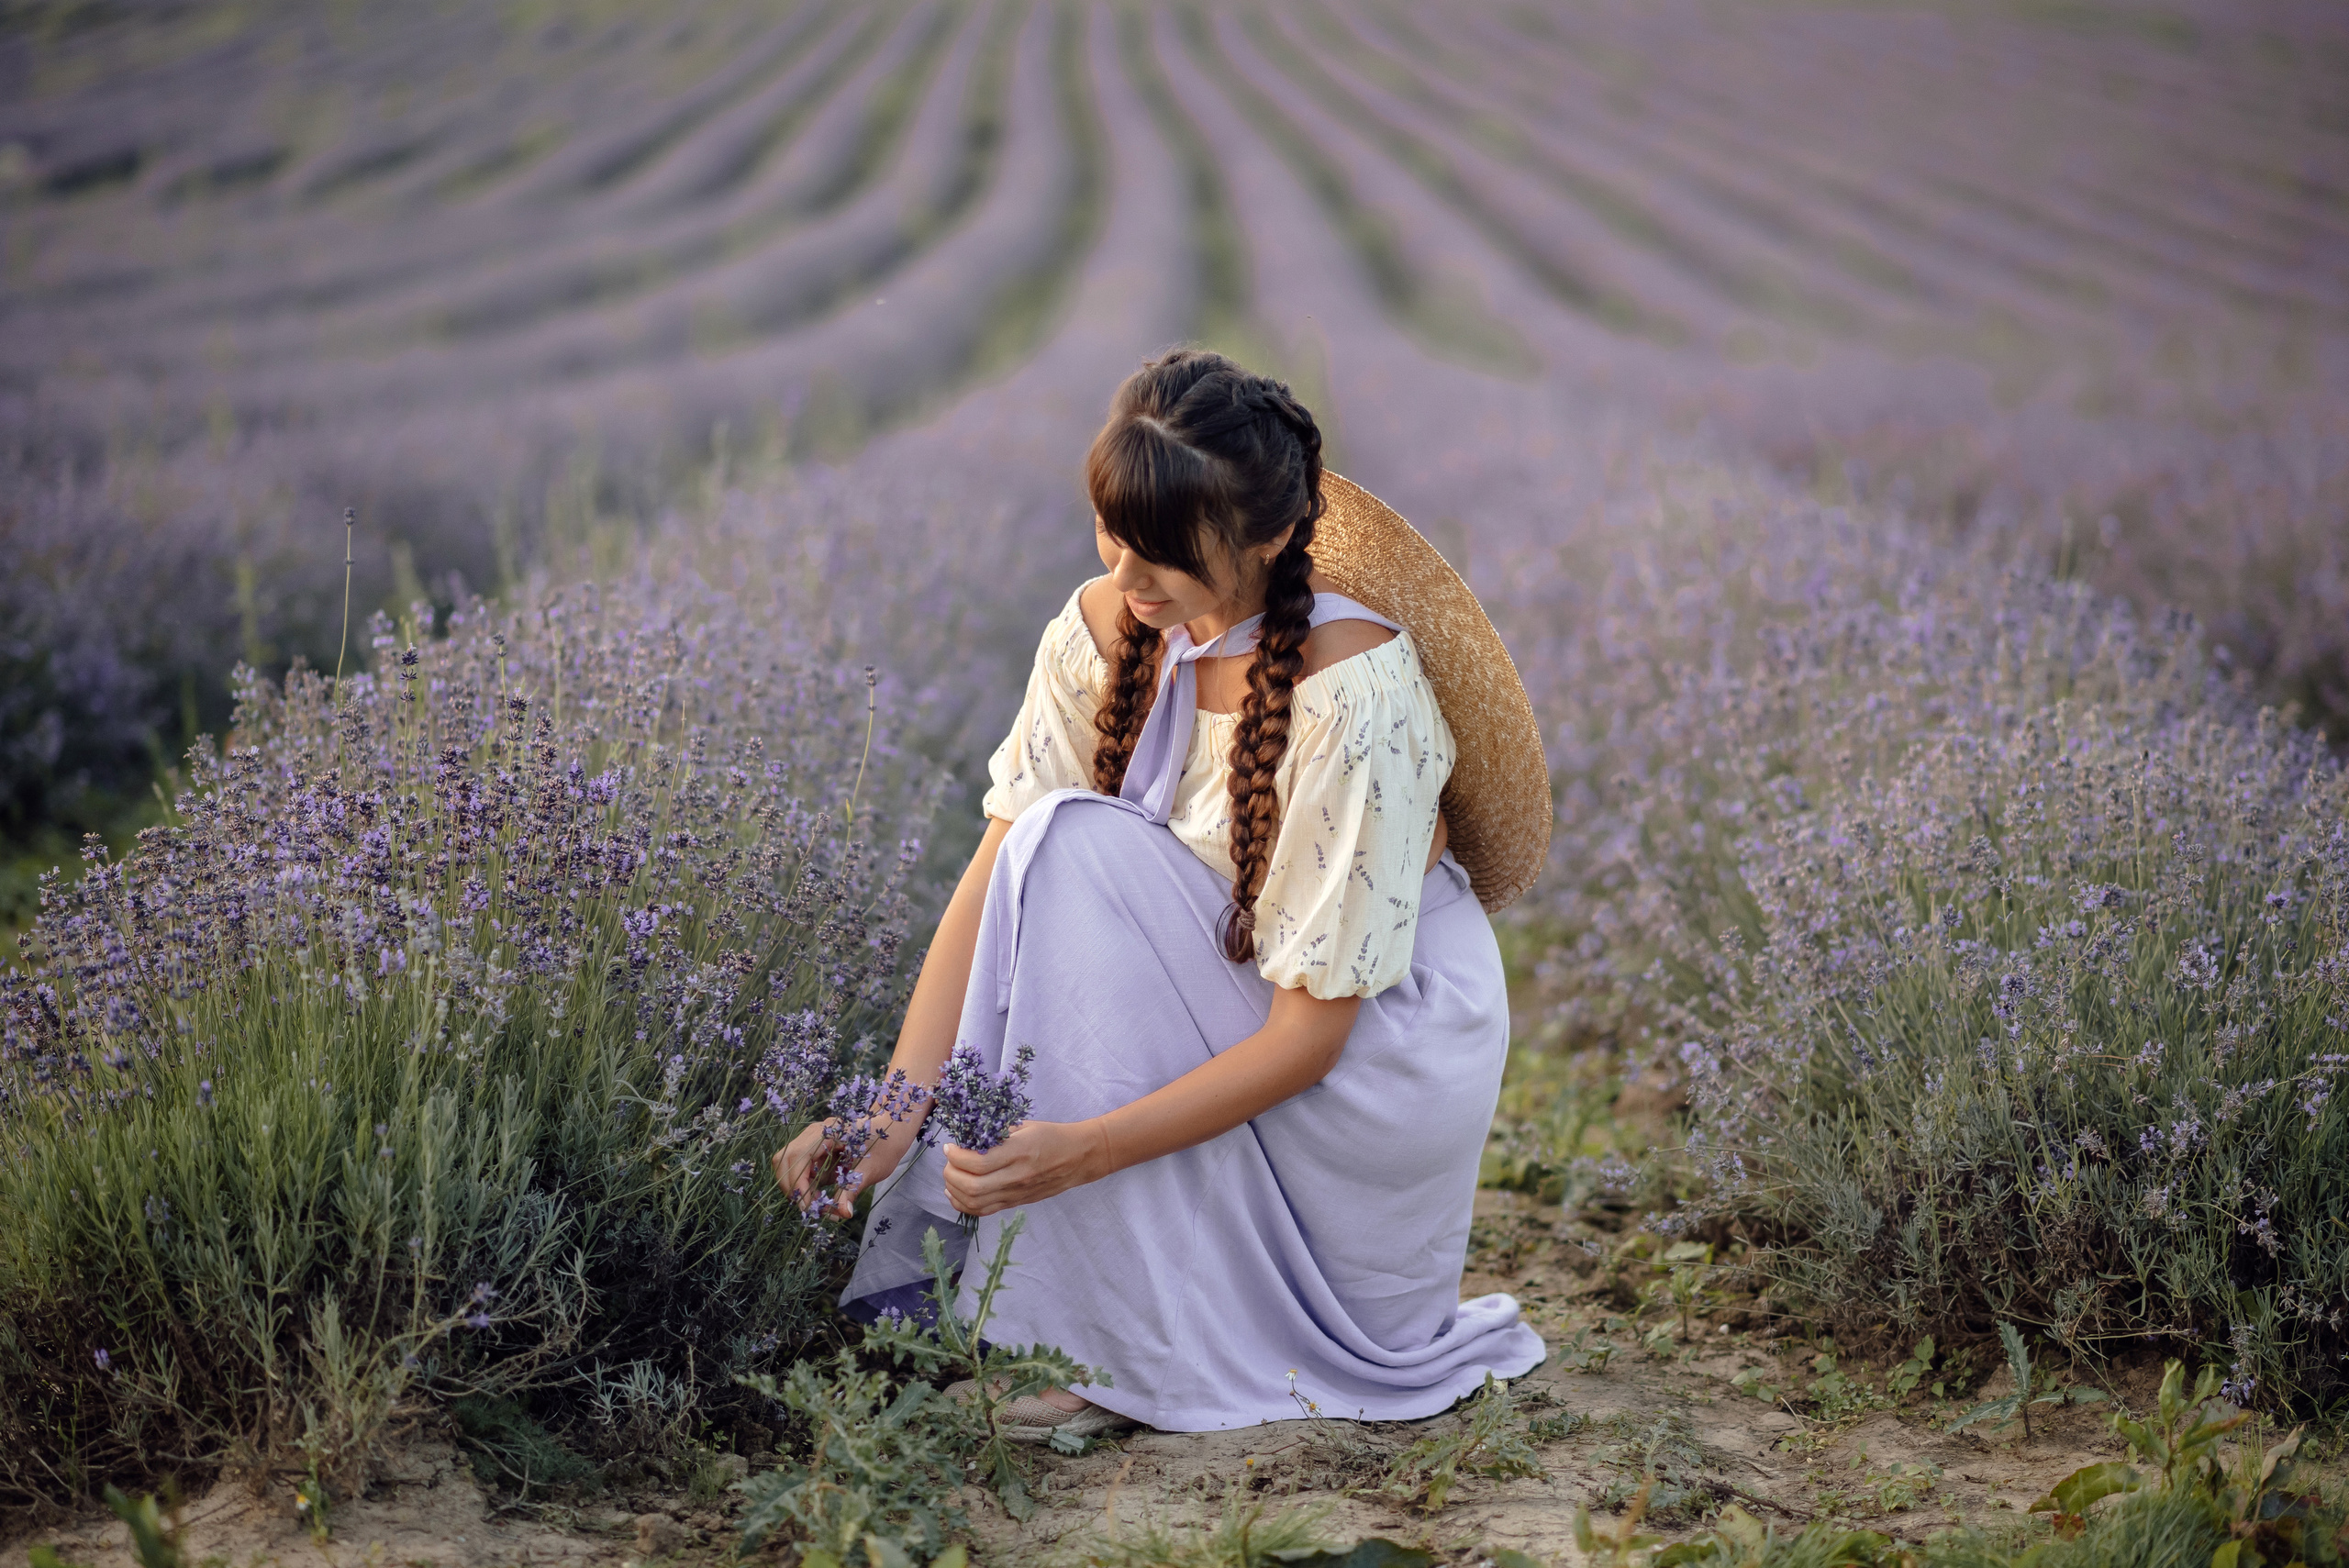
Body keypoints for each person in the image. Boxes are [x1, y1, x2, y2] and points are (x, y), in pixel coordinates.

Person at [773, 348, 1551, 1438]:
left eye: (1165, 559)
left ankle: (1109, 1344)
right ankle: (1090, 1305)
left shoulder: (1348, 691)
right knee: (1051, 844)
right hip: (1217, 996)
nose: (1129, 581)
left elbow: (1310, 1038)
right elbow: (995, 880)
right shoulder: (1100, 628)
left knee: (1077, 846)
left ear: (1271, 538)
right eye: (1113, 538)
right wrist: (892, 1116)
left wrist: (1079, 1152)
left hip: (1367, 1059)